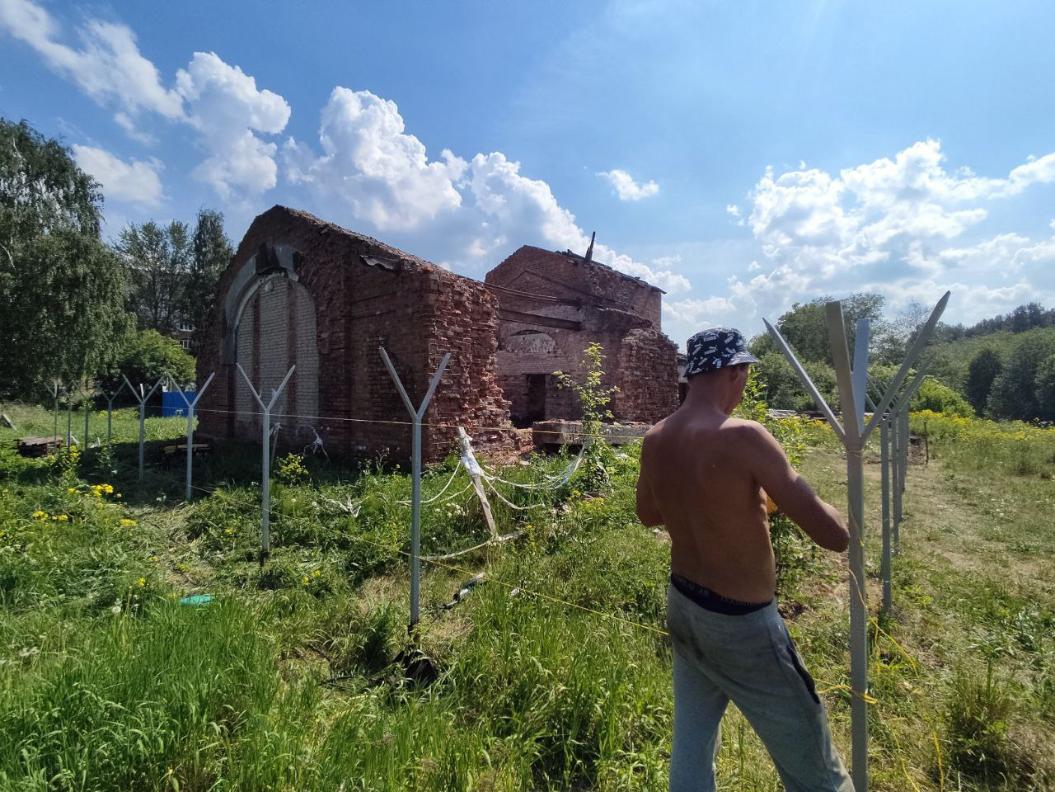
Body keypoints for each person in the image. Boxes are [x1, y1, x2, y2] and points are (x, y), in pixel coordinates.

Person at [636, 327, 854, 792]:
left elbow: (648, 514)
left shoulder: (656, 438)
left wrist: (710, 500)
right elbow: (832, 535)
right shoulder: (746, 437)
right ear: (736, 371)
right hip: (743, 626)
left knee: (692, 744)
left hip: (684, 605)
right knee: (815, 765)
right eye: (747, 375)